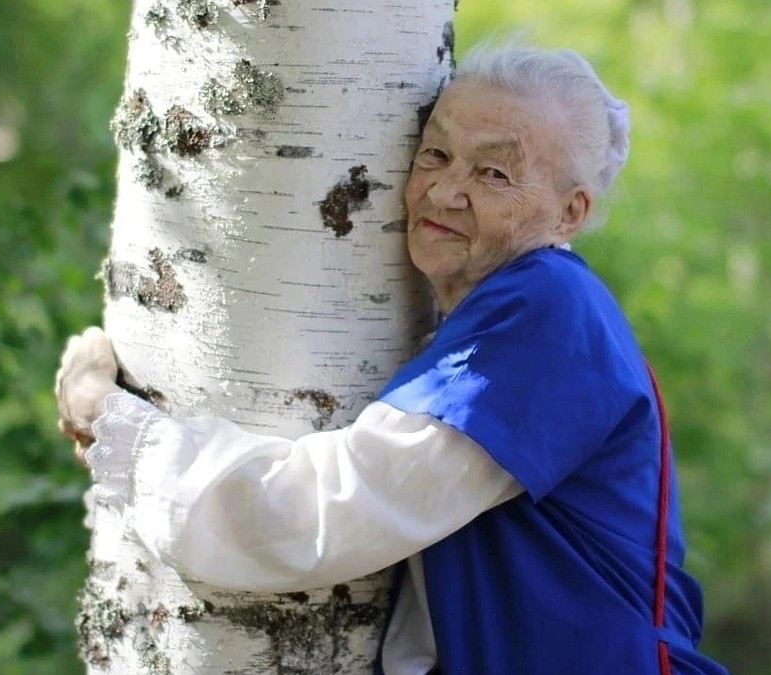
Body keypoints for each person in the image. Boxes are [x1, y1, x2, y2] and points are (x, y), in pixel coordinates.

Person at [56, 44, 729, 675]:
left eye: (494, 172)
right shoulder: (514, 307)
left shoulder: (549, 309)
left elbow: (329, 512)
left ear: (569, 211)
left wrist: (114, 425)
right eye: (434, 154)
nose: (443, 192)